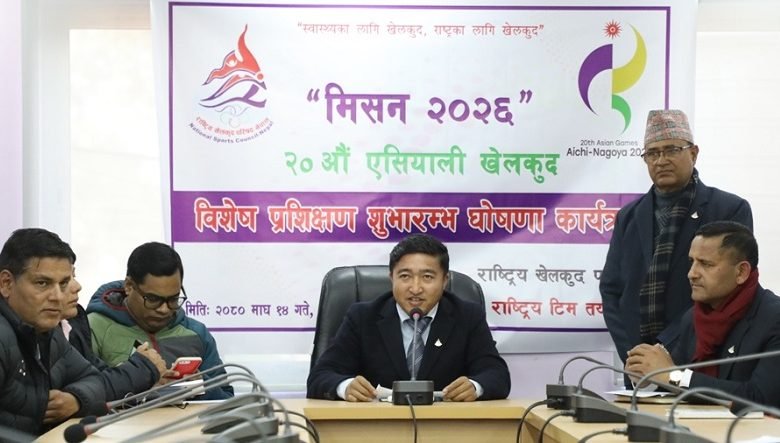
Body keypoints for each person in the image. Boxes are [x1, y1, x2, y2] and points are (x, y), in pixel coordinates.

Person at [600, 109, 753, 371]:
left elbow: (728, 289)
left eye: (671, 150)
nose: (661, 161)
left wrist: (664, 348)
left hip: (700, 358)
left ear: (693, 153)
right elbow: (611, 290)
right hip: (638, 366)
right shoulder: (629, 216)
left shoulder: (729, 209)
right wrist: (635, 355)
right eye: (652, 153)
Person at [307, 233, 510, 402]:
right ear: (391, 278)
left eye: (427, 277)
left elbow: (497, 375)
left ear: (444, 281)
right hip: (376, 427)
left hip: (446, 427)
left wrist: (475, 387)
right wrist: (345, 387)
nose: (415, 288)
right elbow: (320, 376)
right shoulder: (362, 318)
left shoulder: (467, 316)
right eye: (405, 276)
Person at [625, 221, 780, 408]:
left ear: (741, 272)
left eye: (706, 264)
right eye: (692, 262)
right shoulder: (693, 317)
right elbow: (671, 378)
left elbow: (760, 398)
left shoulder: (773, 318)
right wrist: (646, 374)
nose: (692, 274)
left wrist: (672, 375)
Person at [87, 242, 233, 400]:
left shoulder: (197, 333)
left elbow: (226, 399)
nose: (164, 309)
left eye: (173, 299)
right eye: (152, 299)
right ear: (129, 286)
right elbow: (83, 397)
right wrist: (134, 382)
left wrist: (201, 386)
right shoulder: (92, 329)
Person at [0, 228, 106, 435]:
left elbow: (95, 379)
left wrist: (76, 399)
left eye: (63, 283)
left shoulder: (46, 330)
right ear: (6, 283)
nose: (57, 297)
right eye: (42, 283)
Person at [61, 253, 170, 401]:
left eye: (73, 276)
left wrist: (151, 380)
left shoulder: (73, 321)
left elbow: (94, 378)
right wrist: (143, 369)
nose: (77, 286)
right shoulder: (92, 323)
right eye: (63, 282)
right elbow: (79, 391)